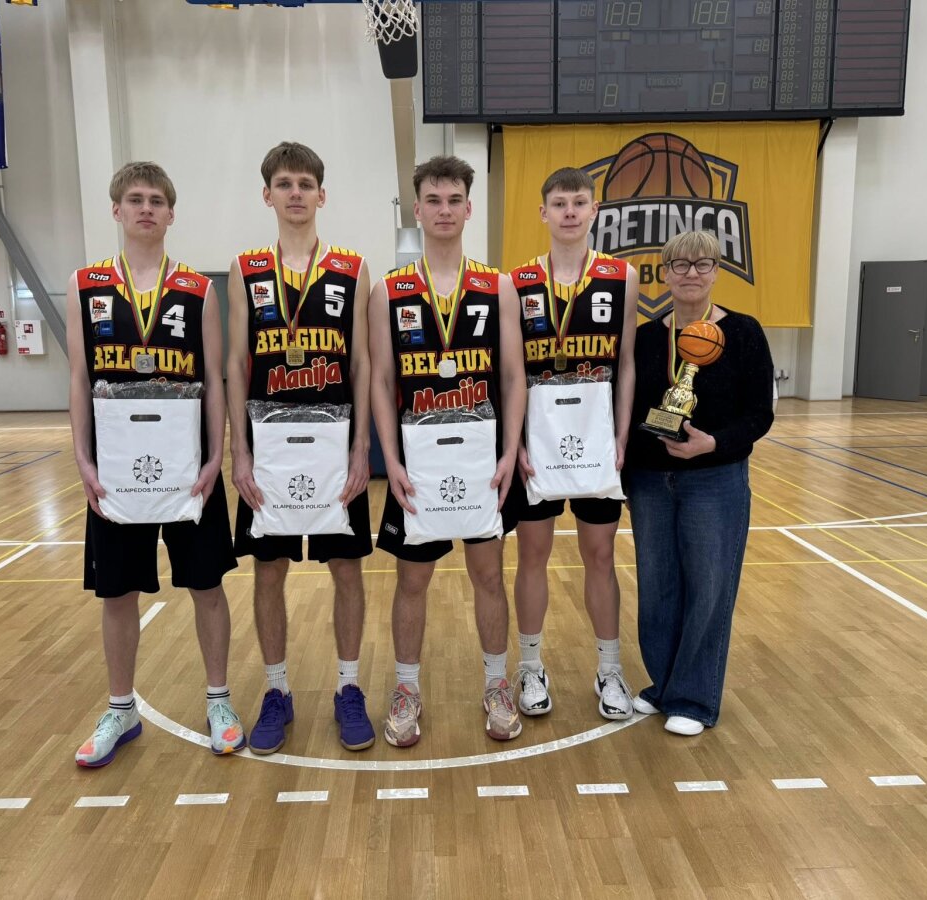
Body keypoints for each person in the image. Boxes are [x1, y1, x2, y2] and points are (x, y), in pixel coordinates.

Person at [66, 162, 243, 767]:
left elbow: (214, 379)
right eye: (135, 199)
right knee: (117, 593)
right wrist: (83, 460)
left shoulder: (197, 290)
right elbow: (80, 379)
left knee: (206, 586)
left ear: (171, 213)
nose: (146, 209)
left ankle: (219, 701)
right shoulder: (85, 285)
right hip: (116, 471)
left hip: (189, 471)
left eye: (157, 201)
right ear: (116, 210)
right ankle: (121, 708)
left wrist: (216, 457)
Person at [370, 155, 527, 747]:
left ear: (468, 207)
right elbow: (382, 381)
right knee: (412, 582)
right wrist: (391, 461)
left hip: (482, 462)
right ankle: (406, 689)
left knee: (489, 577)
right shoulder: (389, 290)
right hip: (418, 465)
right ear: (417, 209)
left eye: (453, 199)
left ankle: (497, 684)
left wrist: (509, 453)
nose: (443, 210)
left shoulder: (498, 286)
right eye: (433, 200)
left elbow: (513, 377)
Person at [227, 142, 375, 755]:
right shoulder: (245, 269)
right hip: (270, 450)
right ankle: (277, 691)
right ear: (267, 195)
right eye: (285, 184)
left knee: (347, 569)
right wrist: (239, 453)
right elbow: (237, 364)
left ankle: (348, 687)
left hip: (334, 447)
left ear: (321, 194)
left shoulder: (353, 267)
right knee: (269, 572)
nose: (295, 193)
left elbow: (362, 363)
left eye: (305, 184)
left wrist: (363, 448)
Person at [623, 229, 774, 737]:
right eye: (680, 264)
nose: (691, 273)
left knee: (709, 588)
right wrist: (625, 475)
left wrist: (713, 443)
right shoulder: (647, 338)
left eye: (702, 263)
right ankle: (663, 685)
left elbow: (760, 414)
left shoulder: (744, 332)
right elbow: (629, 411)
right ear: (664, 274)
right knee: (657, 588)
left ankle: (694, 698)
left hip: (715, 479)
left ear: (716, 271)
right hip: (651, 481)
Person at [506, 167, 639, 720]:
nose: (568, 212)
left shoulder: (622, 276)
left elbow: (626, 363)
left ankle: (609, 669)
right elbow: (510, 373)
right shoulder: (515, 282)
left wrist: (622, 435)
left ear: (594, 210)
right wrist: (514, 443)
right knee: (532, 554)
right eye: (558, 203)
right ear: (543, 212)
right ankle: (530, 665)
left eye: (578, 202)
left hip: (595, 442)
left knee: (600, 555)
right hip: (537, 447)